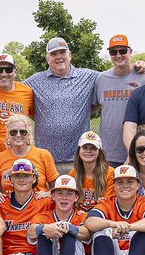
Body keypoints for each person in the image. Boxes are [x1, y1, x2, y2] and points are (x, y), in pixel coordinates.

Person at [23, 37, 101, 172]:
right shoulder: (34, 81)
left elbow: (114, 77)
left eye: (62, 52)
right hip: (46, 161)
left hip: (78, 160)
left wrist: (137, 67)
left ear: (69, 55)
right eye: (53, 54)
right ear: (47, 59)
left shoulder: (88, 77)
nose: (58, 57)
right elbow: (10, 89)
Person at [28, 175, 91, 255]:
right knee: (44, 230)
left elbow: (87, 234)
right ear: (53, 196)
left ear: (76, 197)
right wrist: (45, 228)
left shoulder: (82, 215)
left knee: (67, 230)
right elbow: (30, 231)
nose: (64, 198)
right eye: (60, 193)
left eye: (69, 194)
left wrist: (68, 227)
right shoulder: (44, 216)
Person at [94, 34, 145, 166]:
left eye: (122, 51)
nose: (118, 55)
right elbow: (94, 106)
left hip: (140, 151)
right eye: (113, 52)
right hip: (108, 152)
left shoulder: (144, 77)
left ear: (130, 52)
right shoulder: (101, 79)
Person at [0, 114, 58, 195]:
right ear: (8, 135)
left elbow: (55, 188)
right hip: (9, 206)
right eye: (13, 132)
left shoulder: (43, 155)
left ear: (29, 135)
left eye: (23, 132)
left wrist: (48, 194)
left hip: (40, 204)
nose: (18, 135)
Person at [69, 131, 114, 211]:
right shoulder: (72, 174)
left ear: (99, 153)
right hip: (77, 218)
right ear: (79, 151)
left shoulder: (110, 173)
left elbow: (109, 205)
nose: (88, 151)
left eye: (93, 148)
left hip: (100, 217)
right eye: (85, 147)